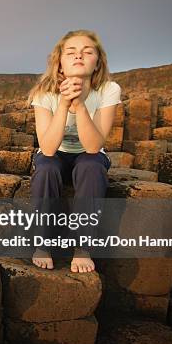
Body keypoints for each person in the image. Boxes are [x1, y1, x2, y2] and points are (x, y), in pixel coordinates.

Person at [25, 29, 122, 273]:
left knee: (91, 164)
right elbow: (47, 148)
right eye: (71, 52)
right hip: (55, 153)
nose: (79, 55)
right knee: (46, 167)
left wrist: (78, 106)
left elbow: (93, 146)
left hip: (88, 154)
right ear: (59, 63)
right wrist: (64, 104)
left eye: (87, 51)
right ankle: (43, 242)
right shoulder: (44, 93)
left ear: (97, 62)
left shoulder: (108, 89)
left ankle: (82, 248)